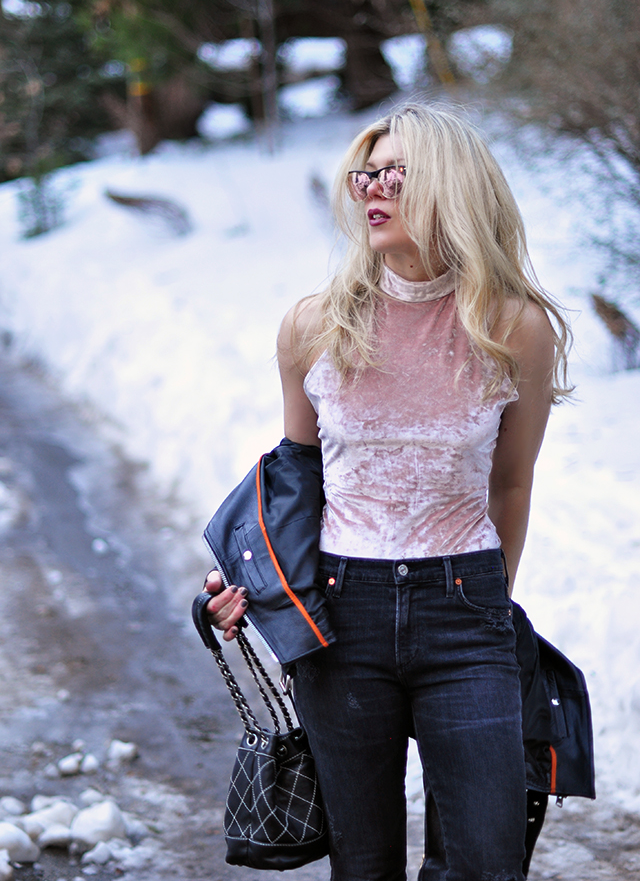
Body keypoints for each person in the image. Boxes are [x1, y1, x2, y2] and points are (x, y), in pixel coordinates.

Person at [204, 103, 572, 881]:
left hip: (467, 611)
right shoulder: (315, 325)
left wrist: (485, 596)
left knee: (486, 862)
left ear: (448, 185)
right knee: (363, 864)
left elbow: (512, 480)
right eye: (364, 175)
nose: (371, 190)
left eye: (394, 175)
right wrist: (254, 584)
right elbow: (297, 480)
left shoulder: (515, 327)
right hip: (343, 614)